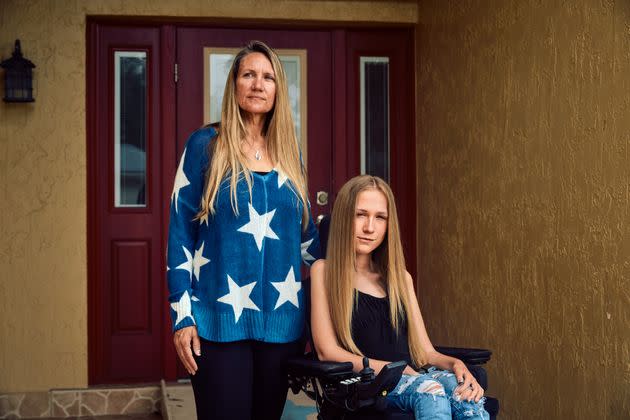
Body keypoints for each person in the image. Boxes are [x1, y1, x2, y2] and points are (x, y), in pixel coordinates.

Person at [166, 40, 320, 420]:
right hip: (218, 326)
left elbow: (307, 242)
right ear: (234, 85)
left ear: (278, 90)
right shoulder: (205, 145)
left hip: (282, 329)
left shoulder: (289, 154)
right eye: (248, 74)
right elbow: (180, 235)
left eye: (268, 77)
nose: (258, 84)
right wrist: (182, 316)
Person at [310, 175, 489, 420]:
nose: (369, 227)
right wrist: (393, 368)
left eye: (379, 217)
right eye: (360, 214)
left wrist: (457, 365)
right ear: (343, 218)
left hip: (414, 376)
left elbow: (425, 352)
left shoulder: (400, 279)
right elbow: (326, 351)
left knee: (467, 395)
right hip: (367, 384)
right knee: (431, 392)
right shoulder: (323, 271)